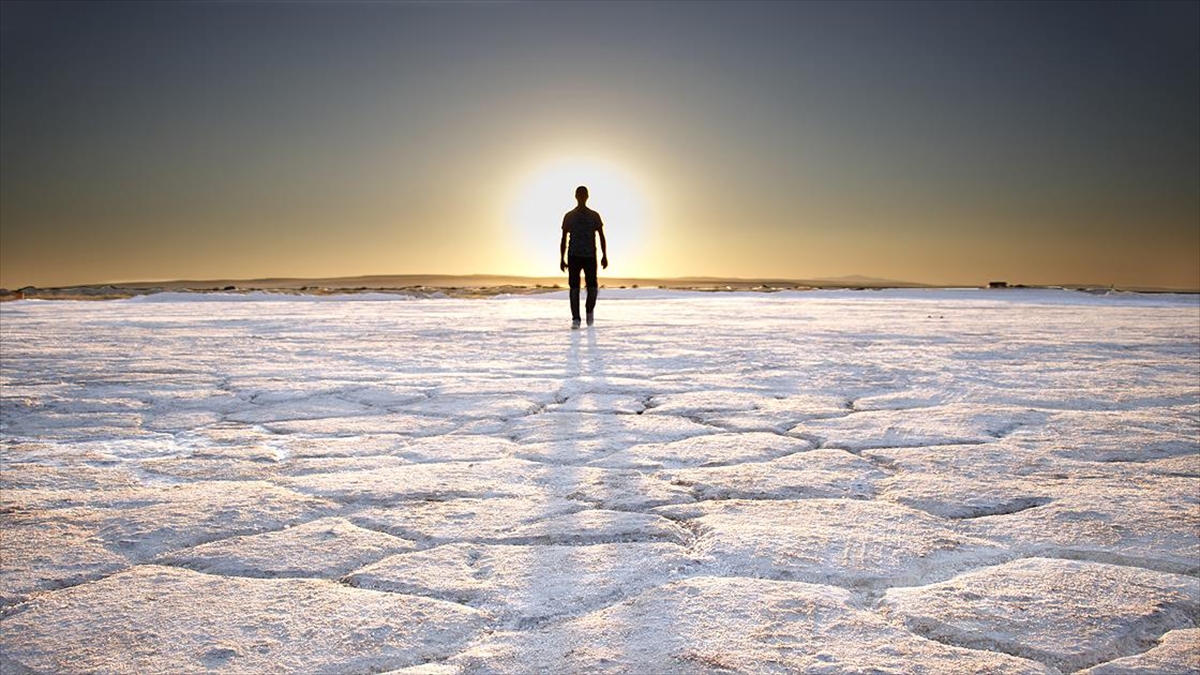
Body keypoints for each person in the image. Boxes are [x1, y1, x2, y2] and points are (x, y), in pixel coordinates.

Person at [559, 185, 608, 329]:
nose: (581, 197)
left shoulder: (594, 216)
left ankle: (589, 310)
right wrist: (562, 258)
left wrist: (605, 255)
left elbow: (601, 236)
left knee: (592, 287)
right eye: (579, 195)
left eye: (584, 195)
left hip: (590, 256)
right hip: (573, 255)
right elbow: (563, 238)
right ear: (576, 196)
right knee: (574, 288)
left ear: (587, 197)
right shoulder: (569, 216)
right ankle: (576, 318)